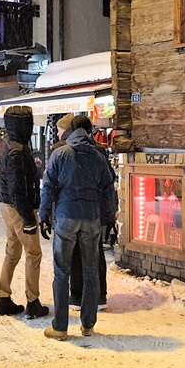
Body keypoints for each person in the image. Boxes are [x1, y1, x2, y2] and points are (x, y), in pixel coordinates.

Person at [39, 115, 115, 341]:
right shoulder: (98, 155)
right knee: (91, 272)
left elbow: (48, 187)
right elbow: (108, 190)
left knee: (61, 273)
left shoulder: (60, 154)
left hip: (66, 216)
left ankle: (60, 327)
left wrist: (44, 214)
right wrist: (109, 218)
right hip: (91, 218)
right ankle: (88, 325)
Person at [0, 106, 48, 319]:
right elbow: (17, 188)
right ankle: (32, 301)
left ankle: (3, 297)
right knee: (33, 254)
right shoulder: (18, 151)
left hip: (7, 206)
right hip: (19, 208)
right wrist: (28, 218)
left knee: (12, 252)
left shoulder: (13, 147)